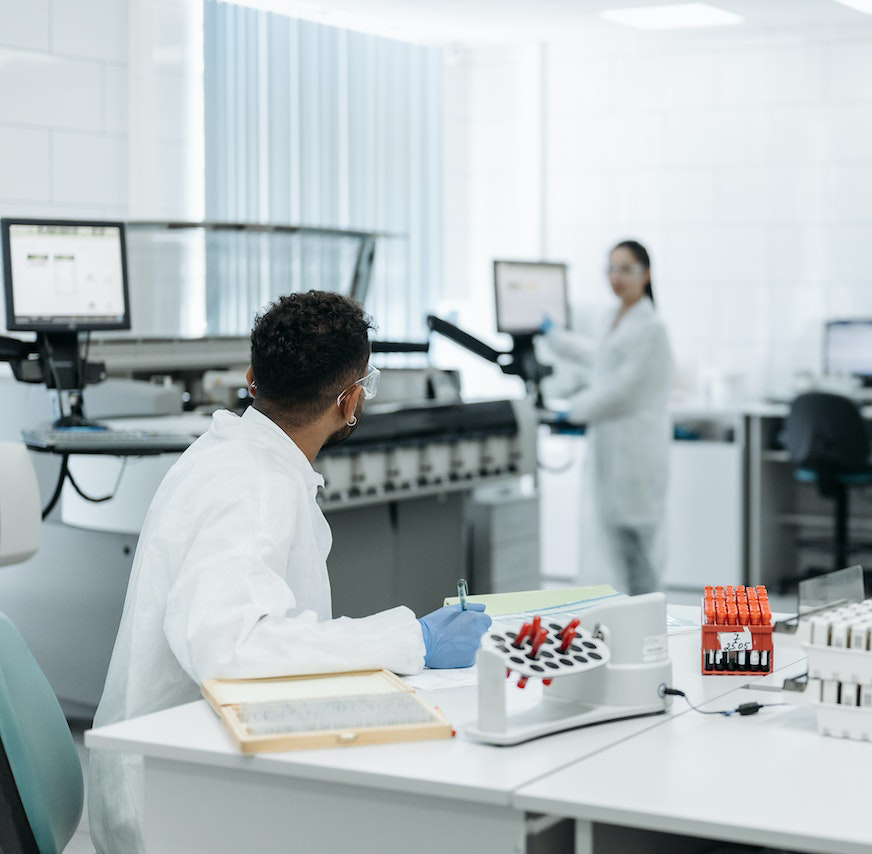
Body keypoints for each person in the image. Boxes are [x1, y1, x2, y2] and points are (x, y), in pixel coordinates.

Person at [88, 290, 491, 854]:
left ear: (254, 377)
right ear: (350, 402)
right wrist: (412, 639)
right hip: (179, 805)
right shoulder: (254, 485)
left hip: (200, 764)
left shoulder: (236, 455)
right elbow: (231, 647)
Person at [542, 240, 673, 596]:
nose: (616, 277)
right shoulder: (614, 317)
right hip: (612, 449)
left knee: (635, 548)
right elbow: (600, 357)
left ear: (646, 274)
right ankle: (624, 618)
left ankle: (649, 621)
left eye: (626, 269)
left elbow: (622, 390)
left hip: (634, 453)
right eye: (611, 268)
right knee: (614, 544)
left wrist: (574, 409)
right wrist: (554, 337)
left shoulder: (650, 328)